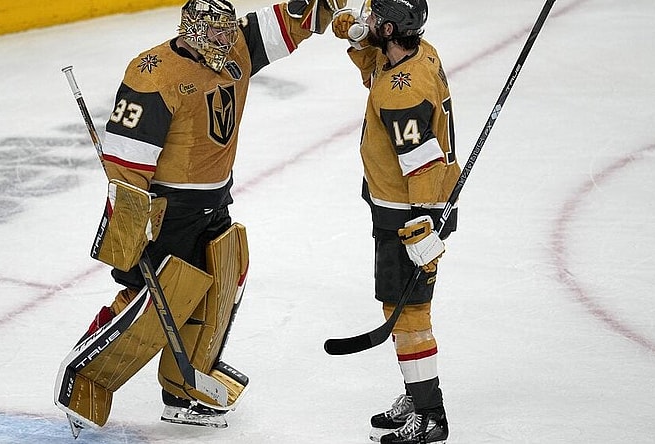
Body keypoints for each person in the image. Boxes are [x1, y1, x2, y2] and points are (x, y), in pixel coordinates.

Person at [55, 0, 341, 434]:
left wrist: (324, 5)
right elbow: (126, 166)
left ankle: (182, 387)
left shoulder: (234, 46)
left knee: (224, 279)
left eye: (231, 31)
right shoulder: (153, 73)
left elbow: (297, 18)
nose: (230, 40)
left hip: (215, 198)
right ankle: (84, 377)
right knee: (152, 299)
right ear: (192, 31)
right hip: (167, 209)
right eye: (219, 33)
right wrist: (133, 229)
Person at [331, 0, 460, 443]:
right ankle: (416, 388)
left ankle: (429, 413)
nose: (365, 20)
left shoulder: (402, 93)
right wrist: (357, 39)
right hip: (413, 207)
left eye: (373, 18)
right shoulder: (420, 53)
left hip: (409, 214)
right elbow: (378, 66)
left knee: (406, 313)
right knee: (408, 309)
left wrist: (422, 229)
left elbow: (420, 164)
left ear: (389, 28)